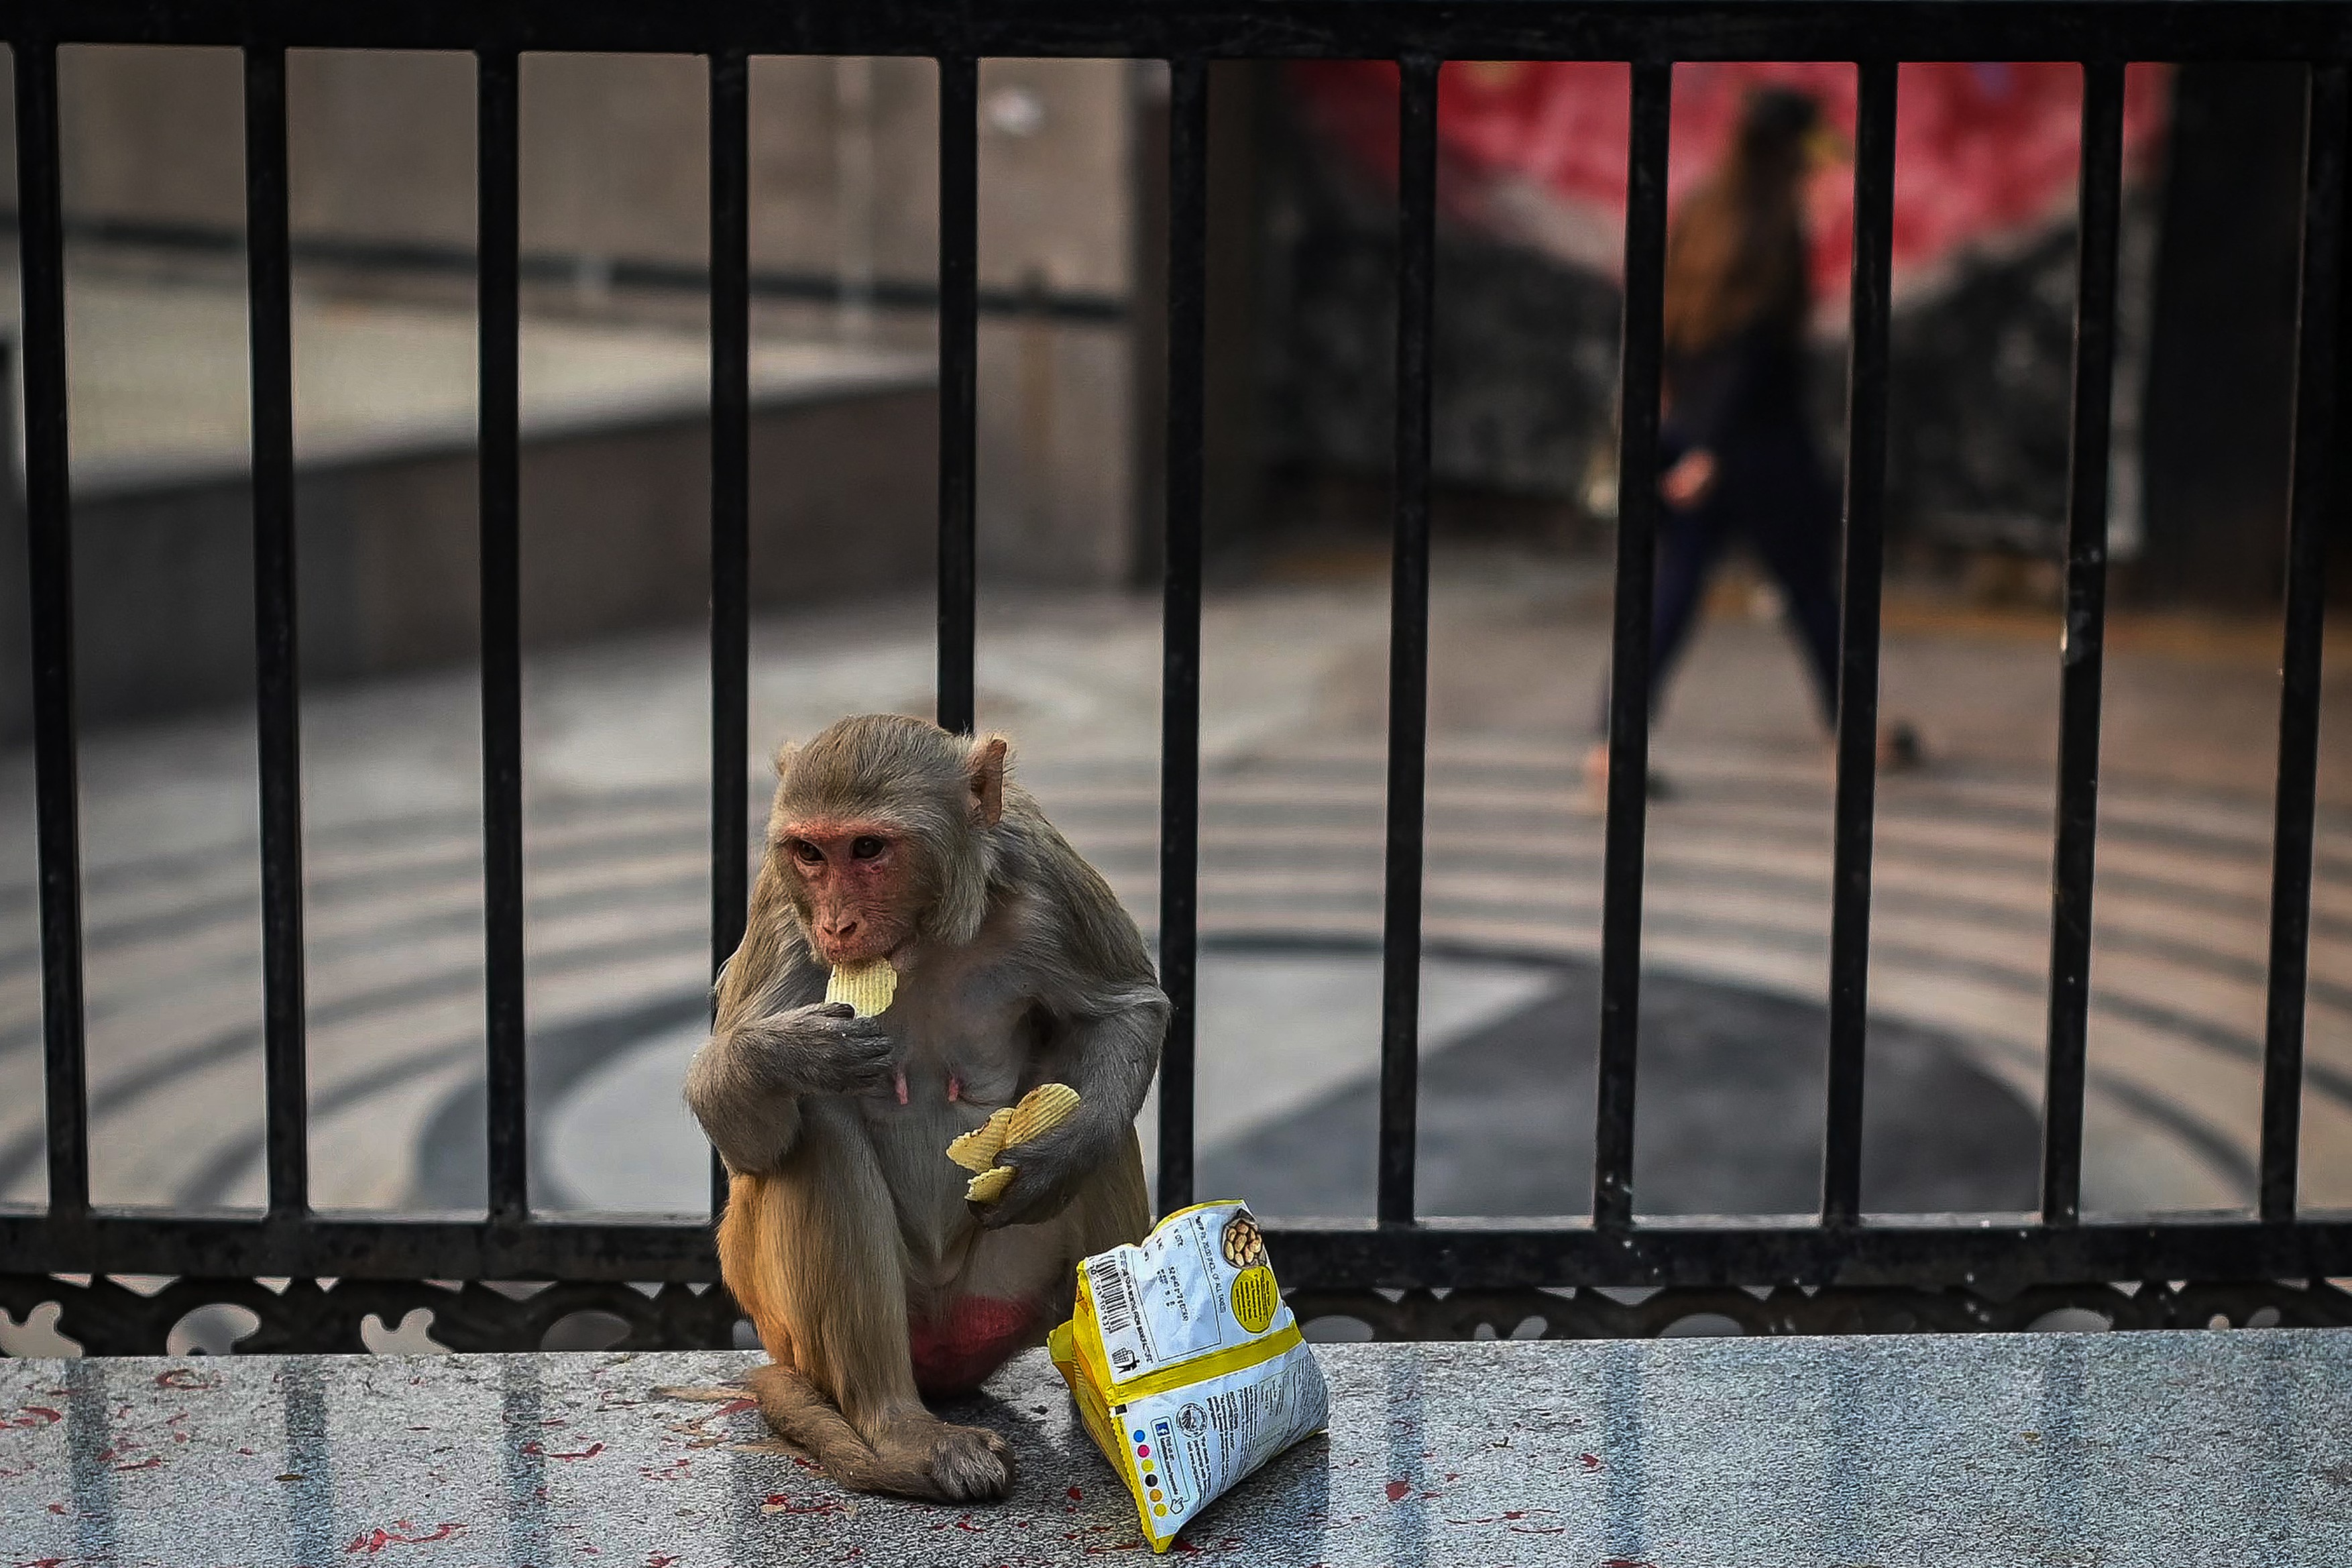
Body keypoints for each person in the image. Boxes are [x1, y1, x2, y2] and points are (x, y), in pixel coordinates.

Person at [1587, 85, 1919, 797]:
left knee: (1671, 589)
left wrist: (1677, 433)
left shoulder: (1701, 213)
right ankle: (1856, 734)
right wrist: (1712, 446)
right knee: (1810, 592)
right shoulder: (1773, 229)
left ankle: (1614, 746)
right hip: (1757, 444)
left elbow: (1661, 323)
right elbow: (1753, 349)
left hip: (1691, 436)